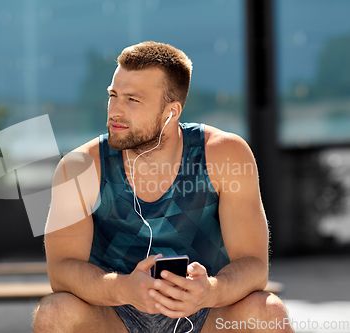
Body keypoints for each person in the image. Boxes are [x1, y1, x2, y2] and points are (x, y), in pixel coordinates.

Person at [32, 41, 293, 332]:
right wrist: (124, 289)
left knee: (268, 312)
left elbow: (254, 264)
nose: (115, 111)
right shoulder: (79, 167)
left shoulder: (224, 154)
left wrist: (211, 291)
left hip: (206, 313)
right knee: (54, 313)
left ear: (171, 112)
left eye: (133, 100)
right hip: (114, 316)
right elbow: (61, 270)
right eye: (113, 95)